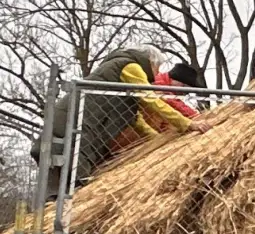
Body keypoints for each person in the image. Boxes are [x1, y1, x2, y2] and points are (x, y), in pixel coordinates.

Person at [34, 48, 210, 195]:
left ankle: (60, 210)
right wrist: (189, 124)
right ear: (151, 61)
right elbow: (152, 99)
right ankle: (63, 214)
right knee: (75, 171)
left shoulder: (121, 71)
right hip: (78, 124)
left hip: (79, 123)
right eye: (158, 67)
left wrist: (157, 141)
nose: (157, 73)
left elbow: (134, 118)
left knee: (66, 173)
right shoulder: (131, 67)